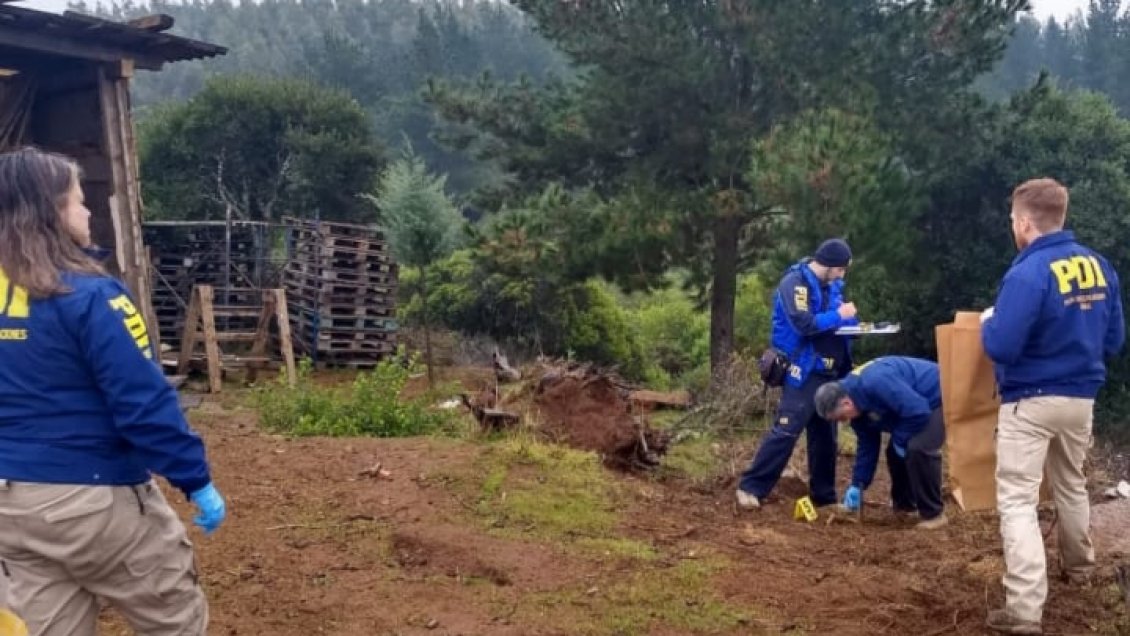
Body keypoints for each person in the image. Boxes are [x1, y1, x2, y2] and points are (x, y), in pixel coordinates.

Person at [0, 147, 225, 636]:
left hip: (11, 507)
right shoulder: (90, 296)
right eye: (78, 201)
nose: (88, 213)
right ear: (53, 211)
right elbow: (143, 403)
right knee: (172, 615)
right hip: (91, 496)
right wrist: (195, 479)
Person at [981, 178, 1124, 635]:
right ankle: (1079, 569)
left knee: (1018, 500)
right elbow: (1114, 341)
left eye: (1012, 220)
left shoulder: (1028, 272)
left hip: (1030, 400)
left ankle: (1024, 610)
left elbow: (1002, 346)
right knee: (1071, 483)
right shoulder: (1100, 267)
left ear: (1025, 222)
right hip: (1081, 398)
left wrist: (988, 323)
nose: (1012, 227)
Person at [736, 238, 858, 509]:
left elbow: (840, 317)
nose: (842, 275)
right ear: (828, 264)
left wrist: (853, 323)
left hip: (829, 370)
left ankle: (824, 497)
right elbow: (805, 324)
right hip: (802, 369)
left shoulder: (831, 286)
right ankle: (750, 488)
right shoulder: (794, 283)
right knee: (786, 430)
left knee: (826, 438)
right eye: (840, 269)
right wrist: (839, 316)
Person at [813, 356, 947, 530]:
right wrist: (857, 484)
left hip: (937, 395)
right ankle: (905, 506)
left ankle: (934, 514)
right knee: (894, 452)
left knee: (918, 448)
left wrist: (899, 440)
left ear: (846, 403)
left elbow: (918, 411)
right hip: (914, 404)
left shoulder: (877, 383)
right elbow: (867, 447)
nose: (843, 422)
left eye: (841, 417)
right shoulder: (856, 410)